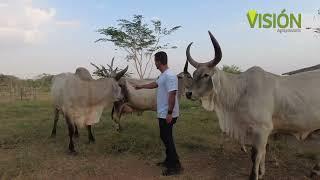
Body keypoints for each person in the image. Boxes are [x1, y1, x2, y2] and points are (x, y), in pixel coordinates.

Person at [134, 51, 182, 176]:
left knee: (168, 139)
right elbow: (155, 84)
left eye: (155, 60)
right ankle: (168, 160)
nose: (154, 63)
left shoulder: (170, 76)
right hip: (162, 113)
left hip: (168, 113)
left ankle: (176, 166)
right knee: (164, 137)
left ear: (159, 61)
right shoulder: (163, 75)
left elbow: (172, 94)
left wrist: (170, 113)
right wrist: (141, 86)